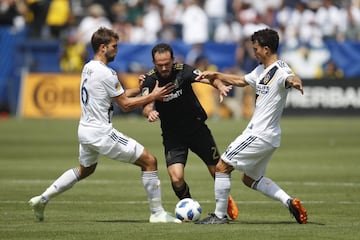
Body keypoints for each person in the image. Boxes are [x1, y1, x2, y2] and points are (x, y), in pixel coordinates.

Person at [28, 27, 181, 224]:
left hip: (85, 129)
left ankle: (42, 199)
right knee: (150, 161)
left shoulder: (88, 67)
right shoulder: (107, 73)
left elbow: (119, 95)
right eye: (114, 46)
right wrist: (153, 96)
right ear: (103, 48)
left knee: (85, 170)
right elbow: (125, 105)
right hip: (101, 132)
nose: (117, 50)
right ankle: (157, 213)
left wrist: (144, 89)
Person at [195, 28, 308, 224]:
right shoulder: (261, 69)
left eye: (255, 49)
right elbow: (240, 80)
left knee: (222, 166)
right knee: (249, 179)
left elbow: (291, 78)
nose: (253, 52)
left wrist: (295, 82)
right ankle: (289, 201)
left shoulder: (281, 70)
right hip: (269, 137)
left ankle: (219, 216)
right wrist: (216, 74)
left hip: (259, 134)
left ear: (266, 49)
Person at [140, 43, 239, 220]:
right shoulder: (149, 80)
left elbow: (208, 78)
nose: (163, 68)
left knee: (218, 170)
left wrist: (219, 85)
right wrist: (151, 112)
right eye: (159, 64)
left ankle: (225, 203)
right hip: (173, 135)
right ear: (153, 62)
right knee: (176, 179)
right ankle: (188, 205)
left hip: (196, 128)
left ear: (173, 60)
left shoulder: (183, 70)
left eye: (166, 63)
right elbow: (146, 105)